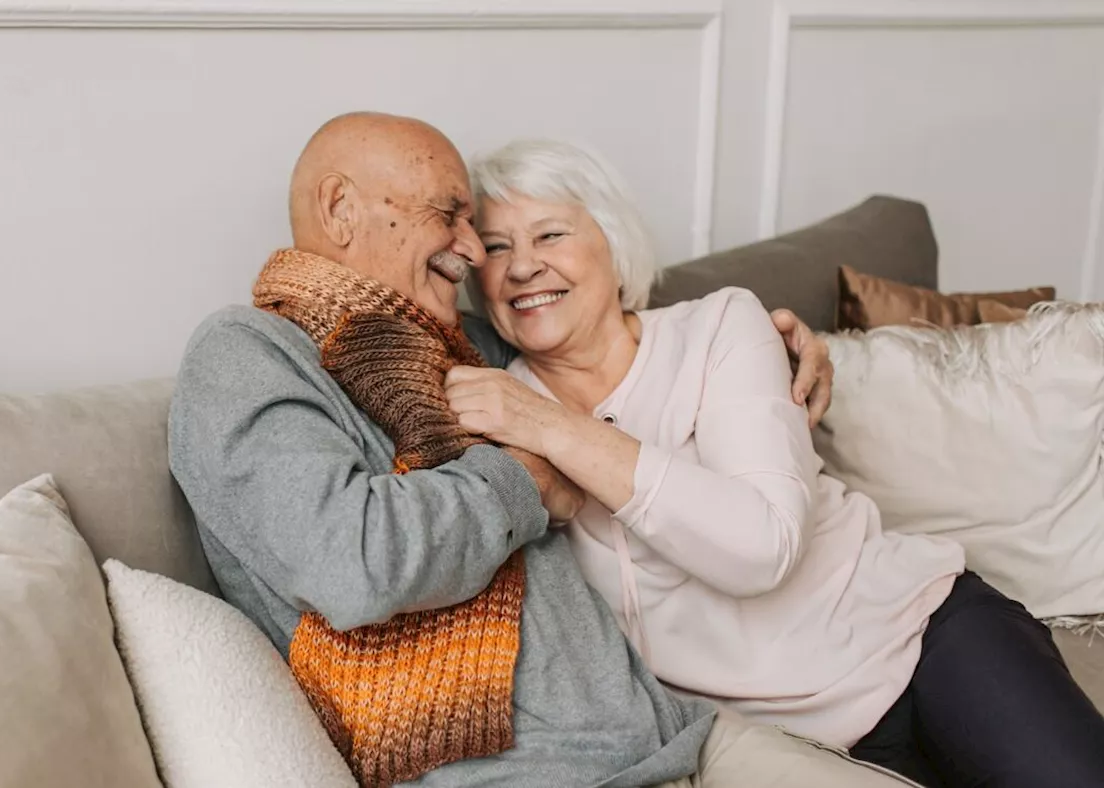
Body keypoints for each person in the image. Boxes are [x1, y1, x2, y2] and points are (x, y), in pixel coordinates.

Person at [169, 111, 919, 788]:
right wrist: (525, 479)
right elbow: (352, 561)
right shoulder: (246, 355)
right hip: (531, 773)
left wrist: (784, 344)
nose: (473, 251)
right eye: (452, 217)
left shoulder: (462, 344)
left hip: (678, 733)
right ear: (339, 209)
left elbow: (602, 323)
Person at [447, 136, 1104, 788]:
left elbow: (761, 547)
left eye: (550, 235)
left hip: (921, 640)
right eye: (497, 247)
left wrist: (557, 430)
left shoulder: (719, 328)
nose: (523, 267)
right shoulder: (495, 402)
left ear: (613, 246)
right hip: (781, 745)